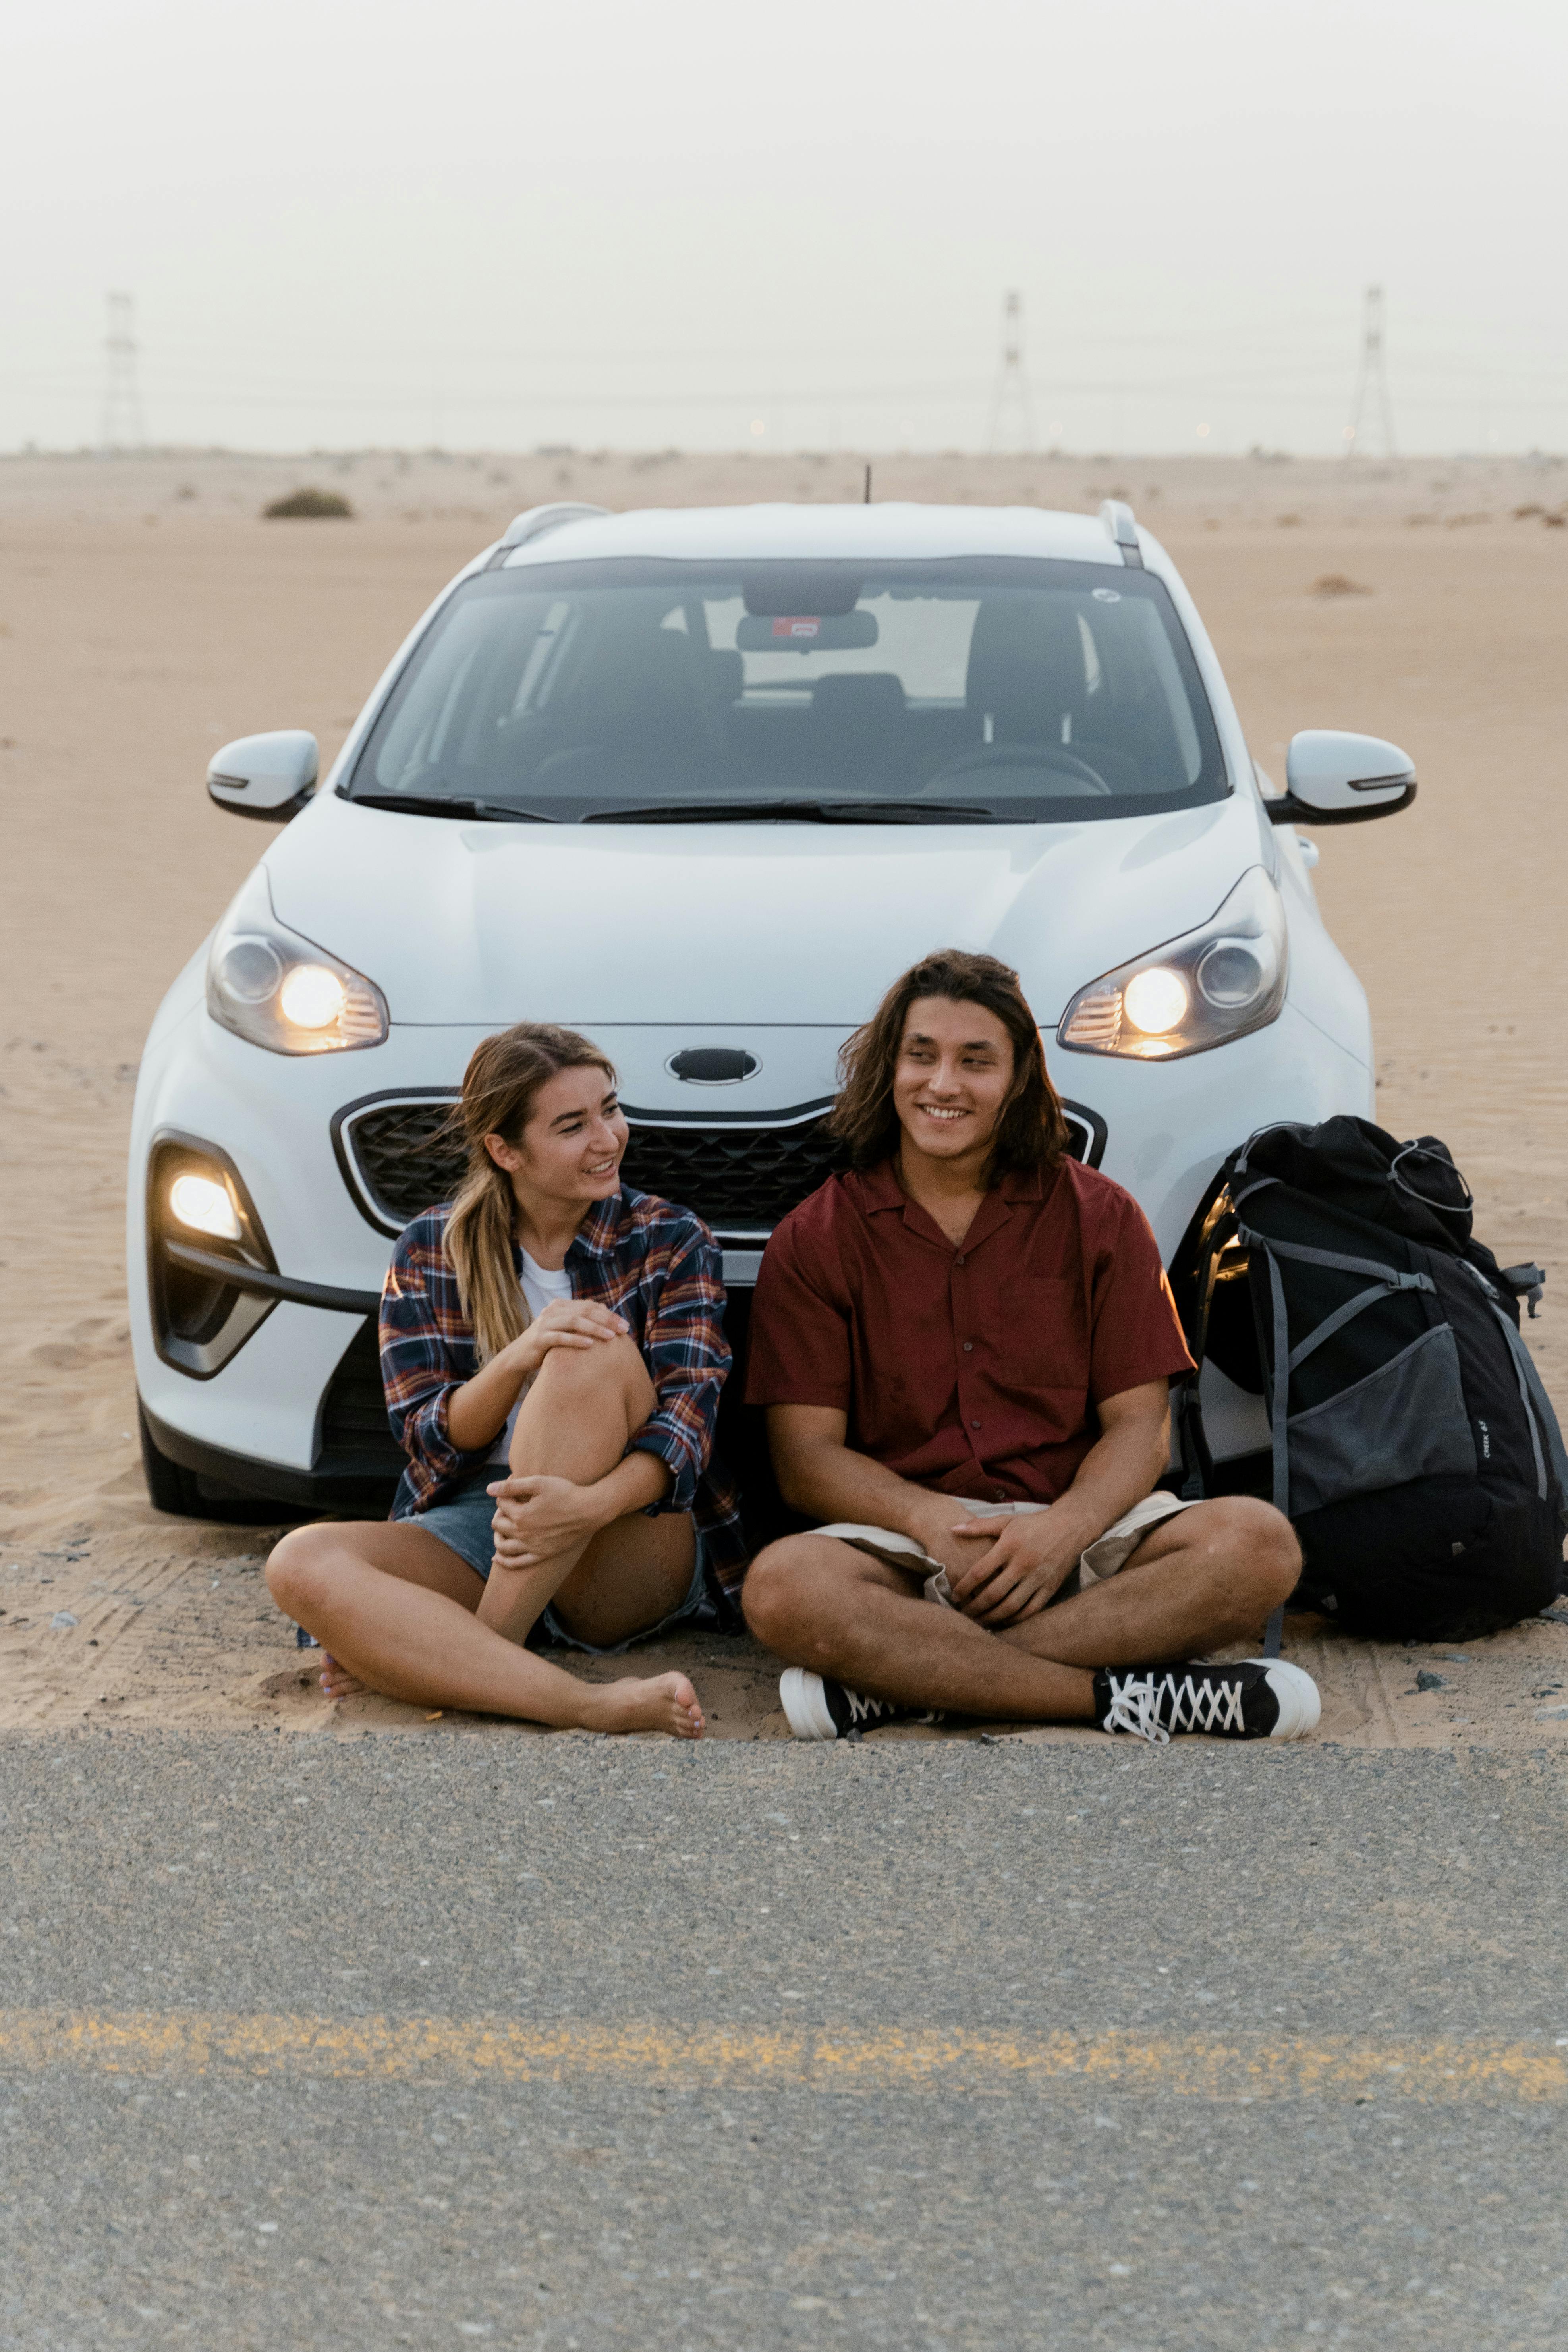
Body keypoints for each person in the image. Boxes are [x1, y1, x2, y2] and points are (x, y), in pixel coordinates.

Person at [741, 950, 1320, 1744]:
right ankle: (1119, 1701)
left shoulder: (1101, 1215)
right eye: (922, 1056)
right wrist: (927, 1517)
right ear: (890, 1068)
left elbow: (1140, 1428)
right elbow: (805, 1460)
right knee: (783, 1588)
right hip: (908, 1547)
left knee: (1257, 1546)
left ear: (1017, 1081)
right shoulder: (817, 1238)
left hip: (1080, 1533)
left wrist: (1064, 1530)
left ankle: (910, 1685)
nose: (943, 1085)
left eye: (975, 1062)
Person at [266, 1022, 745, 1737]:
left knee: (588, 1347)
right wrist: (519, 1353)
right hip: (484, 1530)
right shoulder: (433, 1247)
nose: (607, 1138)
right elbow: (431, 1442)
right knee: (299, 1561)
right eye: (572, 1125)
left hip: (625, 1535)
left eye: (610, 1110)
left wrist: (583, 1509)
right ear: (505, 1150)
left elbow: (685, 1434)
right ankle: (579, 1702)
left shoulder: (671, 1238)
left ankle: (471, 1656)